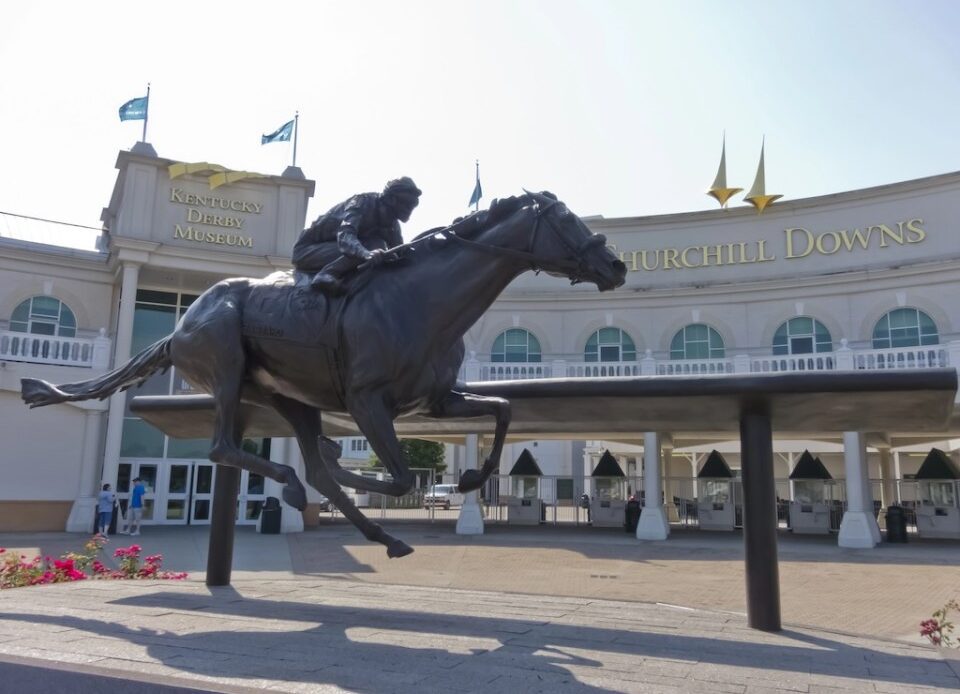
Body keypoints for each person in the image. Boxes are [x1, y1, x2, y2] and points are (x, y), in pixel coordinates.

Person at [292, 177, 422, 294]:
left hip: (338, 253)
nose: (410, 209)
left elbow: (402, 252)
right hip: (307, 251)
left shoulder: (391, 224)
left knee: (385, 253)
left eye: (413, 205)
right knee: (376, 244)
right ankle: (327, 274)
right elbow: (345, 237)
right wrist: (366, 254)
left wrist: (428, 248)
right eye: (407, 204)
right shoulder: (361, 202)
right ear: (391, 199)